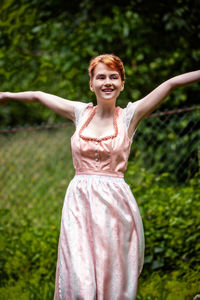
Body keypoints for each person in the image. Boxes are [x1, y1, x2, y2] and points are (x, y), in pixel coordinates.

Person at [0, 54, 199, 300]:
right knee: (79, 271)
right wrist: (7, 96)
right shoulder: (80, 113)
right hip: (79, 203)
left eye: (114, 77)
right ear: (91, 84)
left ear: (122, 84)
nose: (107, 82)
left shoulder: (129, 116)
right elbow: (39, 96)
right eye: (101, 77)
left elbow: (170, 84)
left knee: (113, 272)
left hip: (115, 206)